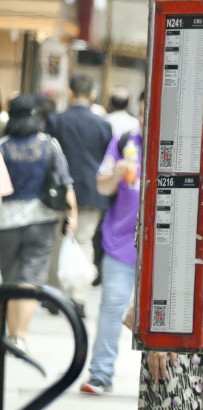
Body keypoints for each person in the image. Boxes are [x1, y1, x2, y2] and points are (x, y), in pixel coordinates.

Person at [0, 94, 77, 353]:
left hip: (7, 222)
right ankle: (21, 335)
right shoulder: (48, 145)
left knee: (11, 280)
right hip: (42, 220)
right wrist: (72, 214)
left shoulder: (3, 146)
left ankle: (11, 335)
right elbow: (65, 181)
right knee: (31, 279)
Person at [80, 93, 145, 396]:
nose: (147, 120)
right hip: (120, 244)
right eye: (143, 113)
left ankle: (162, 380)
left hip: (162, 253)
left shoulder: (180, 147)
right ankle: (100, 373)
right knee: (112, 308)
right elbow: (101, 185)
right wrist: (116, 175)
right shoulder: (125, 143)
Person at [49, 74, 113, 313]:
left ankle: (55, 296)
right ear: (93, 95)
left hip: (61, 193)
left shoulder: (56, 121)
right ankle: (77, 298)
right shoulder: (103, 125)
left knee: (59, 240)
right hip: (92, 191)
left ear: (70, 91)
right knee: (84, 241)